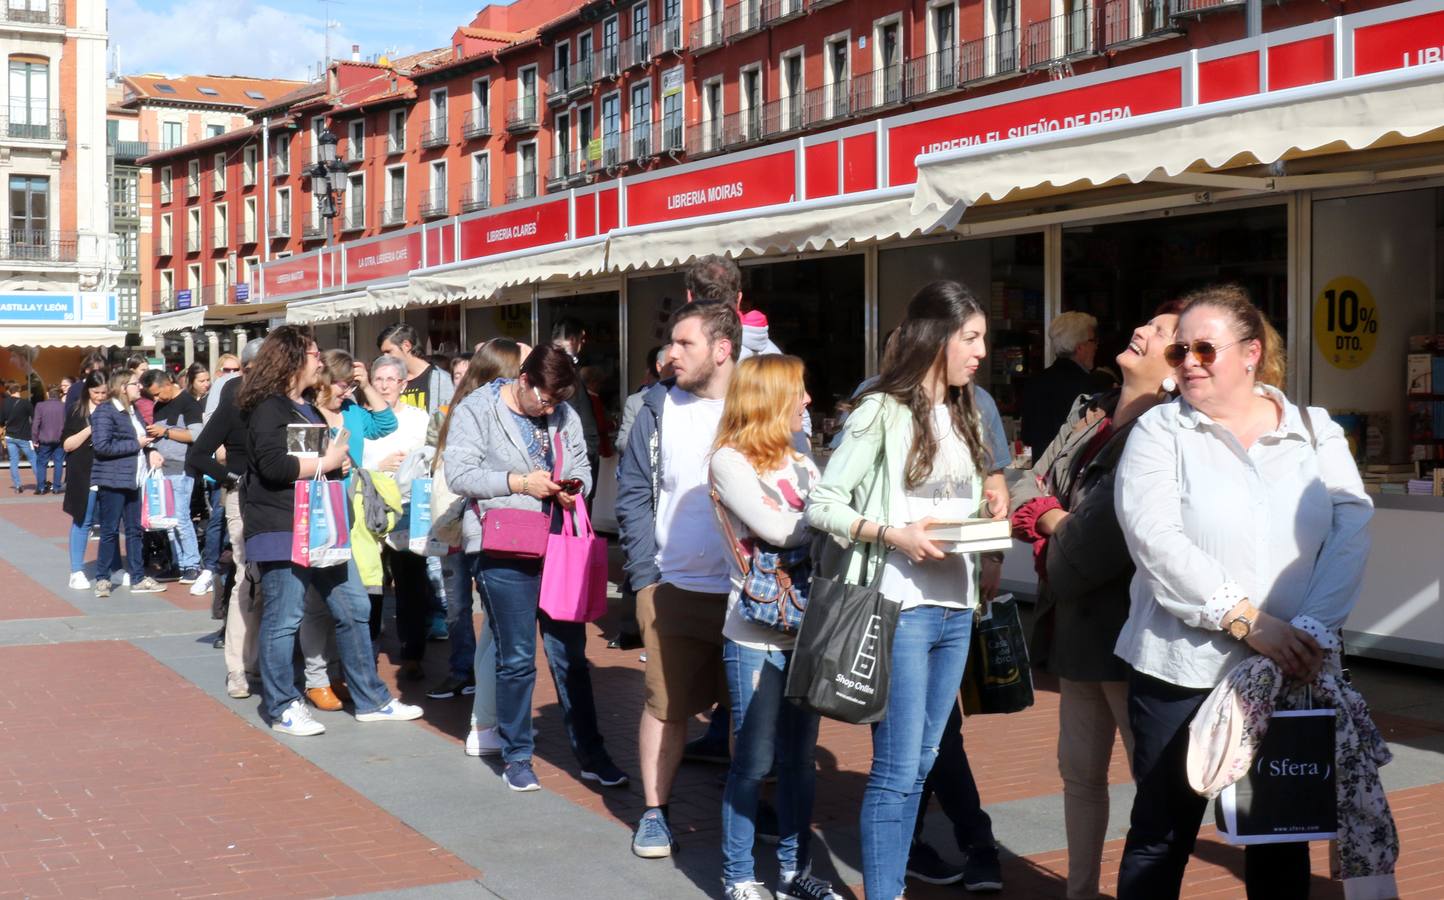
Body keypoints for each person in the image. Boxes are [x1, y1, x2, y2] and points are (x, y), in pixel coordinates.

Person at [1113, 285, 1372, 898]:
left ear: (1252, 353)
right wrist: (1246, 618)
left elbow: (1351, 526)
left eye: (1205, 348)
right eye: (1179, 353)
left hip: (1289, 669)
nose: (1189, 363)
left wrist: (1310, 628)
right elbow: (1154, 538)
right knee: (1162, 833)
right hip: (1182, 669)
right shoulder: (1160, 430)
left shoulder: (1315, 431)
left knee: (1279, 837)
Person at [806, 280, 998, 900]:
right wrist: (893, 534)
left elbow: (957, 510)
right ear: (936, 336)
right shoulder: (880, 409)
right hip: (899, 608)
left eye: (983, 340)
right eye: (971, 338)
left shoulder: (967, 411)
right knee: (895, 772)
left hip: (953, 609)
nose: (981, 353)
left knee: (922, 764)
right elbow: (823, 504)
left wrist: (988, 515)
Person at [1007, 303, 1181, 900]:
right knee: (1078, 776)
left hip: (1132, 633)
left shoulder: (1166, 429)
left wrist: (1048, 521)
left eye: (1160, 333)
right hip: (1075, 633)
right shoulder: (1093, 409)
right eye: (1146, 323)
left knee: (1152, 782)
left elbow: (1096, 544)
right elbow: (1027, 477)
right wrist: (1054, 515)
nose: (1140, 330)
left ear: (1178, 368)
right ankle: (1079, 891)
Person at [444, 343, 627, 792]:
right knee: (518, 658)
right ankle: (517, 754)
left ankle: (591, 752)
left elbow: (581, 462)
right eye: (545, 399)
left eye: (559, 402)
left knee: (571, 657)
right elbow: (459, 474)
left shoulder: (561, 412)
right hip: (503, 546)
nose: (551, 408)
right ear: (524, 380)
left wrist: (573, 487)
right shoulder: (478, 408)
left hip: (559, 545)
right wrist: (519, 482)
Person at [239, 325, 422, 737]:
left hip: (322, 527)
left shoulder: (301, 404)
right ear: (292, 360)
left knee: (355, 607)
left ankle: (371, 699)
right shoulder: (269, 407)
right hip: (284, 527)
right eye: (313, 355)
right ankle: (282, 705)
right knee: (284, 618)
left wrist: (331, 457)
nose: (319, 360)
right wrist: (330, 460)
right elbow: (274, 467)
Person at [710, 354, 841, 900]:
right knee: (754, 760)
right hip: (755, 633)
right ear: (768, 399)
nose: (808, 401)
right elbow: (780, 528)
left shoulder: (802, 456)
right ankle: (738, 873)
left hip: (807, 629)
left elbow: (822, 517)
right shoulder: (728, 461)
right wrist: (830, 518)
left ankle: (794, 872)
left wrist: (829, 517)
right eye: (799, 391)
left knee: (800, 760)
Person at [616, 299, 742, 857]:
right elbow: (635, 493)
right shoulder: (657, 407)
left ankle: (747, 809)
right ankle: (655, 812)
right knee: (665, 706)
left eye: (684, 344)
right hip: (675, 586)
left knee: (751, 708)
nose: (671, 353)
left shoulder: (756, 401)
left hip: (749, 590)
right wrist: (644, 579)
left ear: (722, 349)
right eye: (671, 342)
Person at [426, 338, 521, 710]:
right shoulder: (460, 410)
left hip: (488, 517)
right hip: (456, 514)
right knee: (459, 602)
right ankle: (465, 670)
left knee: (483, 602)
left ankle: (483, 680)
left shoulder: (499, 409)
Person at [188, 341, 263, 698]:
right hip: (242, 495)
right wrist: (230, 478)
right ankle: (238, 667)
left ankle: (262, 658)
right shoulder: (234, 396)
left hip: (279, 495)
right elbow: (199, 453)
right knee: (246, 577)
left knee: (273, 580)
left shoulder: (282, 396)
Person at [364, 353, 435, 680]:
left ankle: (412, 653)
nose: (384, 386)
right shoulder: (362, 419)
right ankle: (368, 649)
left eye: (391, 380)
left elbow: (433, 458)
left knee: (411, 584)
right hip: (369, 508)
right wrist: (378, 466)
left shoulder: (420, 419)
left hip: (407, 510)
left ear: (404, 384)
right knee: (372, 584)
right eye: (379, 379)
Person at [90, 369, 165, 598]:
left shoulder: (134, 411)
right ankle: (102, 578)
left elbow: (141, 440)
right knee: (110, 530)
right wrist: (137, 444)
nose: (139, 387)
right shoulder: (106, 411)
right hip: (113, 480)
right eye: (135, 384)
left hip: (135, 478)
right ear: (123, 387)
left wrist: (151, 449)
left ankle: (138, 577)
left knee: (135, 530)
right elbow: (102, 446)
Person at [142, 370, 204, 583]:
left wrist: (165, 432)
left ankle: (192, 564)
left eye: (158, 393)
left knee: (181, 518)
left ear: (169, 383)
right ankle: (178, 563)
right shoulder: (160, 405)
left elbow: (196, 434)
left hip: (182, 468)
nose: (156, 399)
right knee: (169, 520)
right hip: (163, 469)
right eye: (153, 396)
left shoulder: (188, 403)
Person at [1020, 311, 1098, 461]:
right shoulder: (1090, 387)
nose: (1096, 346)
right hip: (1072, 474)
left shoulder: (1035, 382)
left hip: (1041, 474)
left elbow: (1027, 437)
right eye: (1093, 341)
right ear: (1080, 347)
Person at [61, 371, 109, 590]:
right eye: (95, 392)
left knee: (110, 523)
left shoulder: (114, 410)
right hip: (84, 472)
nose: (100, 397)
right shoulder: (76, 411)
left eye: (103, 392)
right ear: (87, 391)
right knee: (83, 520)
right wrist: (91, 428)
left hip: (109, 472)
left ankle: (113, 568)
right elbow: (67, 444)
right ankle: (77, 570)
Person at [551, 317, 601, 499]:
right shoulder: (566, 371)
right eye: (581, 338)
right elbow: (571, 413)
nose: (583, 343)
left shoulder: (563, 369)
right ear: (573, 339)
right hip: (576, 458)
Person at [379, 322, 455, 417]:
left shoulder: (442, 381)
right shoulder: (387, 381)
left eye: (388, 351)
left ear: (407, 346)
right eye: (383, 353)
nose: (385, 357)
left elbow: (448, 422)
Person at [4, 381, 38, 493]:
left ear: (9, 391)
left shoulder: (4, 403)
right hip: (24, 436)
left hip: (9, 436)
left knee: (13, 461)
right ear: (19, 391)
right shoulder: (26, 403)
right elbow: (34, 418)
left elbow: (1, 421)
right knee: (33, 459)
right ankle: (40, 482)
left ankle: (18, 486)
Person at [32, 385, 66, 494]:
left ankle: (41, 487)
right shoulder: (64, 406)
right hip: (60, 439)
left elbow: (35, 424)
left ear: (48, 394)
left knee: (41, 463)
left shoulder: (40, 406)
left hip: (44, 439)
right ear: (59, 395)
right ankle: (56, 488)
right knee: (59, 462)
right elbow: (67, 424)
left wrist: (34, 439)